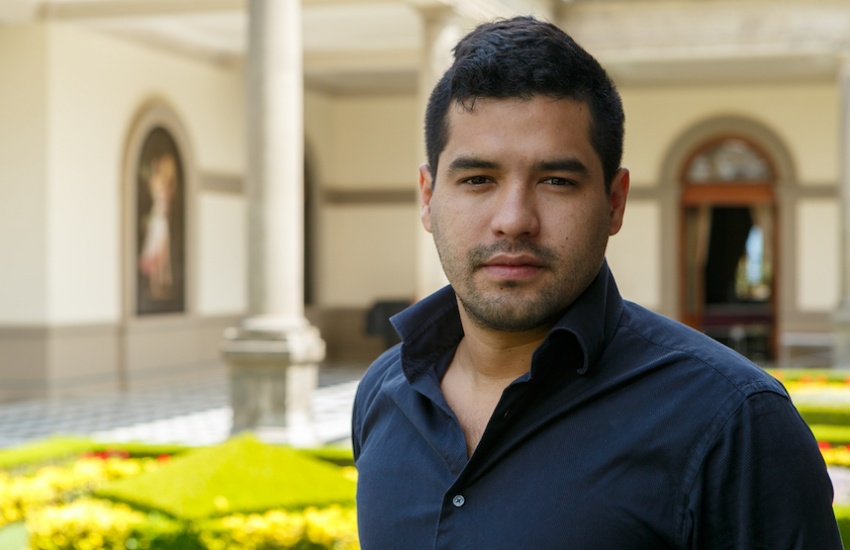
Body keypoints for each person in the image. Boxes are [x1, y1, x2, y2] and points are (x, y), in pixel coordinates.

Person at [352, 16, 842, 549]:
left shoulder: (735, 424)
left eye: (556, 181)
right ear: (427, 197)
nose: (514, 218)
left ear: (614, 201)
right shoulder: (382, 393)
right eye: (478, 179)